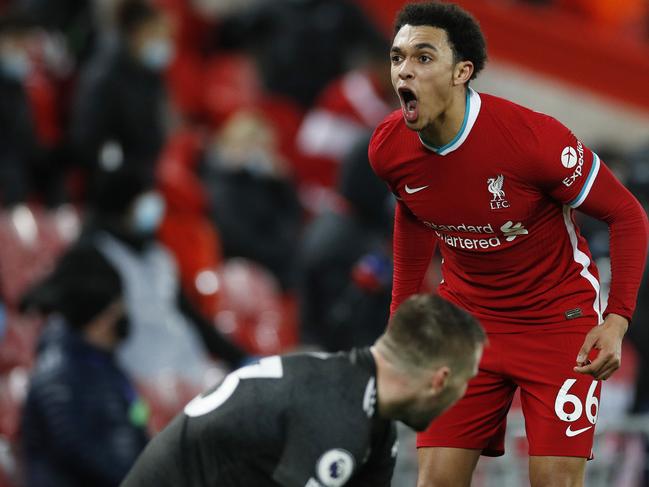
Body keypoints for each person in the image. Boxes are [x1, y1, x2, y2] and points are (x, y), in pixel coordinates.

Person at [368, 2, 649, 486]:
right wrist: (402, 317)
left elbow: (627, 214)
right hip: (466, 327)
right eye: (397, 58)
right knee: (433, 481)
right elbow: (414, 215)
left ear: (462, 71)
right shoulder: (388, 148)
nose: (404, 71)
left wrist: (618, 320)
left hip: (556, 326)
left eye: (423, 57)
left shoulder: (532, 141)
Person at [120, 294, 485, 487]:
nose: (461, 396)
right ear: (439, 380)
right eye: (463, 382)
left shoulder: (368, 415)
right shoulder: (336, 416)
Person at [20, 250, 148, 487]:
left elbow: (136, 421)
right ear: (102, 319)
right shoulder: (57, 378)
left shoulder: (107, 366)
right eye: (118, 308)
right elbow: (84, 457)